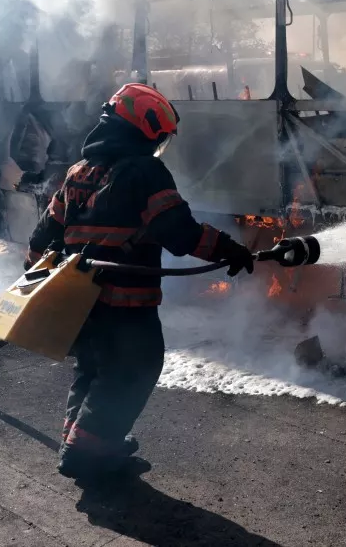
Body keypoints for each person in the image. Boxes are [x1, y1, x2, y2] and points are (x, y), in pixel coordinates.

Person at [24, 83, 255, 480]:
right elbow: (179, 232)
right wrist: (230, 250)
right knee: (133, 370)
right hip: (125, 305)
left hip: (79, 304)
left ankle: (83, 442)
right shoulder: (144, 171)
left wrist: (39, 284)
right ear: (142, 131)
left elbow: (43, 236)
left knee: (93, 371)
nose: (159, 146)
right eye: (158, 138)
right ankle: (88, 454)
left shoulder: (80, 172)